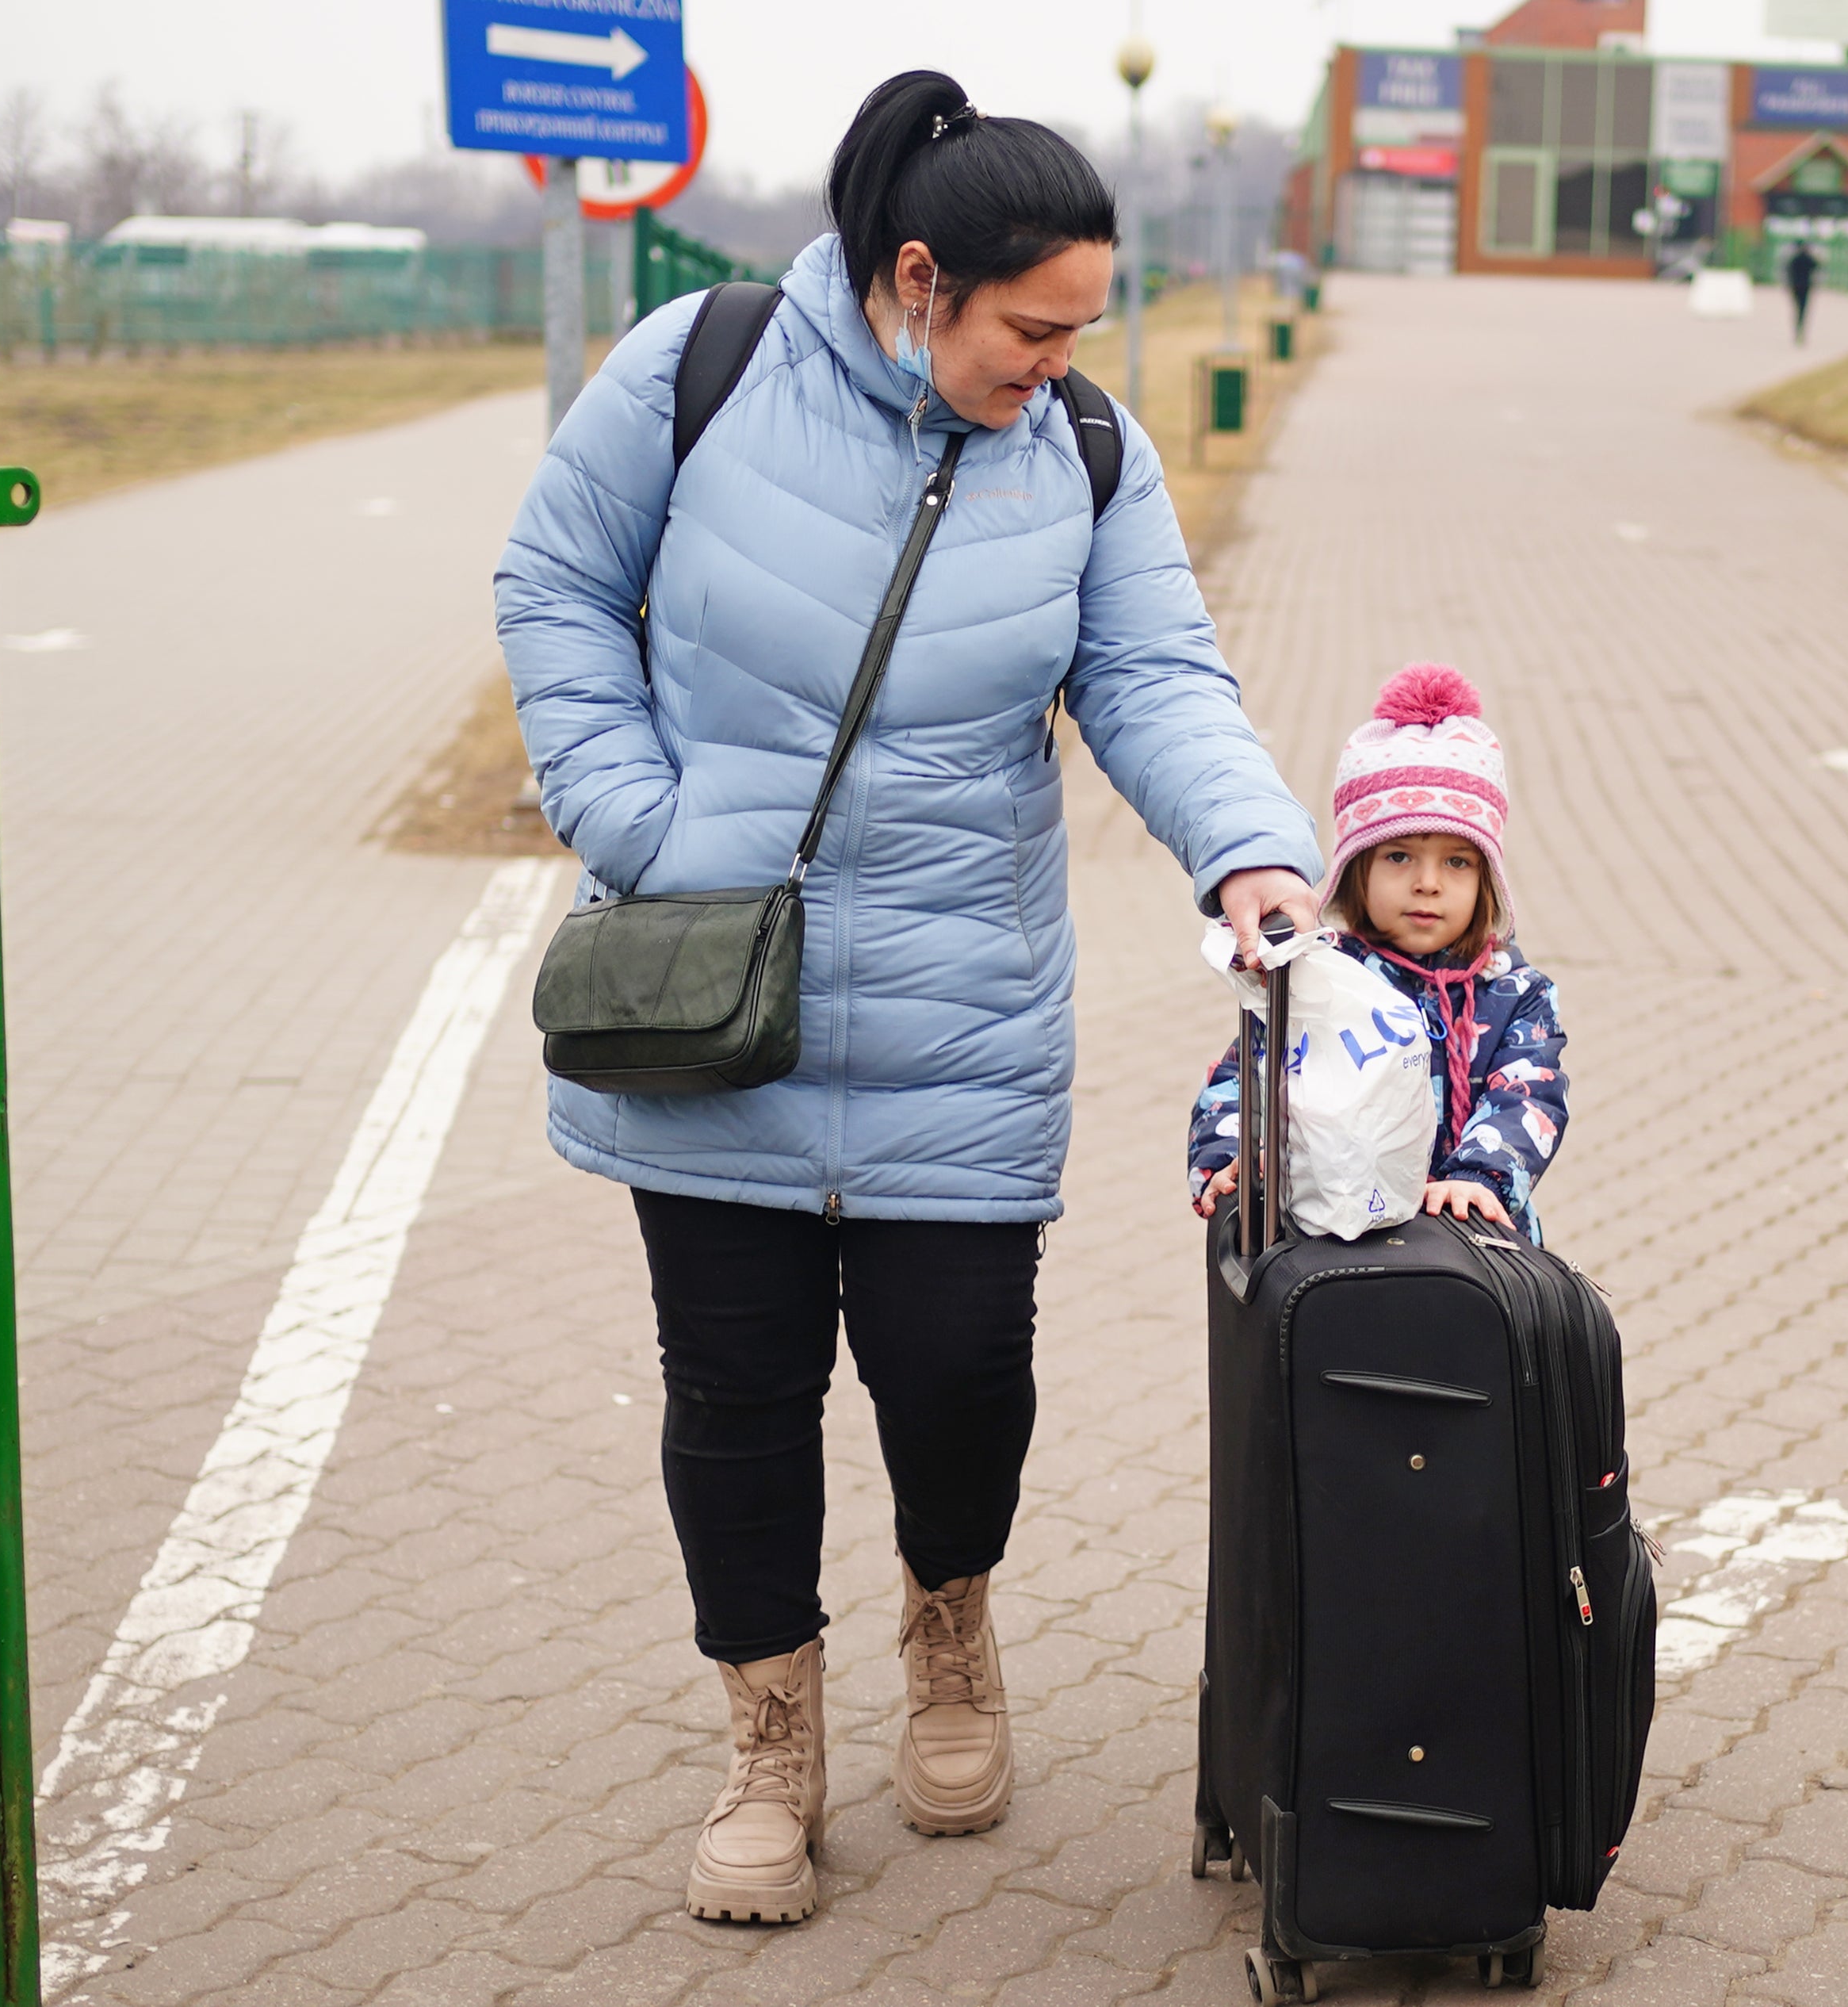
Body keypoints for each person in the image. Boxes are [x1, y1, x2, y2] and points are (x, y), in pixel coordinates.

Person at [494, 71, 1322, 1928]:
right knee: (736, 1390)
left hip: (966, 1002)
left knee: (961, 1379)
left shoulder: (1087, 451)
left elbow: (1155, 673)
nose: (1056, 363)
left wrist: (1247, 846)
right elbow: (552, 584)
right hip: (713, 999)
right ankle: (767, 1746)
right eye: (1029, 329)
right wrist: (634, 818)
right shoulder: (693, 371)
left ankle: (948, 1628)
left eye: (1078, 333)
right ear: (919, 275)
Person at [1188, 666, 1569, 1244]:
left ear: (1487, 878)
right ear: (1355, 868)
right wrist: (1230, 1154)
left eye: (1456, 862)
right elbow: (1248, 1071)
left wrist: (1476, 1178)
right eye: (1398, 856)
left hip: (1466, 1236)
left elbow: (1528, 1091)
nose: (1427, 883)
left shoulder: (1514, 992)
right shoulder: (1320, 977)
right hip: (1335, 1236)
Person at [1784, 238, 1819, 342]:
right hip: (1806, 286)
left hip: (1795, 286)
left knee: (1796, 308)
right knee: (1803, 309)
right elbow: (1817, 266)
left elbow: (1788, 272)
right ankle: (1801, 328)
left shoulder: (1794, 259)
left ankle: (1797, 329)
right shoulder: (1809, 259)